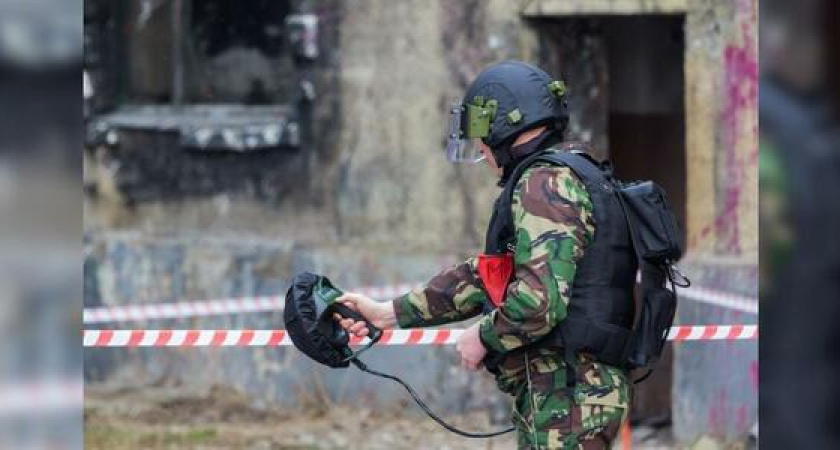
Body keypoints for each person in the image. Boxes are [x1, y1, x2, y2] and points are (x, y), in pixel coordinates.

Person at [334, 61, 634, 449]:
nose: (479, 146)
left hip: (569, 394)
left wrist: (483, 336)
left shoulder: (544, 184)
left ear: (507, 123)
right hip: (567, 392)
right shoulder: (565, 174)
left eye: (480, 130)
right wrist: (387, 313)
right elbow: (488, 277)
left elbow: (538, 304)